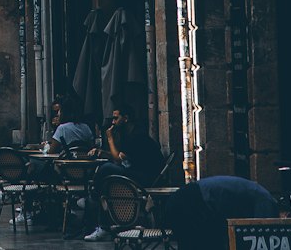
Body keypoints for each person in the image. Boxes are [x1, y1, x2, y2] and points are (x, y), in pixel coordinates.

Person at [81, 101, 165, 241]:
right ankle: (98, 203)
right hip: (137, 172)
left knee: (106, 169)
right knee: (107, 178)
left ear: (126, 118)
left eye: (116, 118)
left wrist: (110, 138)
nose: (113, 122)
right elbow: (121, 156)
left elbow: (118, 160)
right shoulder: (130, 133)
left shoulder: (136, 136)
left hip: (145, 177)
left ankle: (94, 198)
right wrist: (103, 152)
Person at [162, 175, 277, 250]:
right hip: (194, 201)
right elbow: (262, 230)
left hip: (189, 198)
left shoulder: (260, 194)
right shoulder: (265, 200)